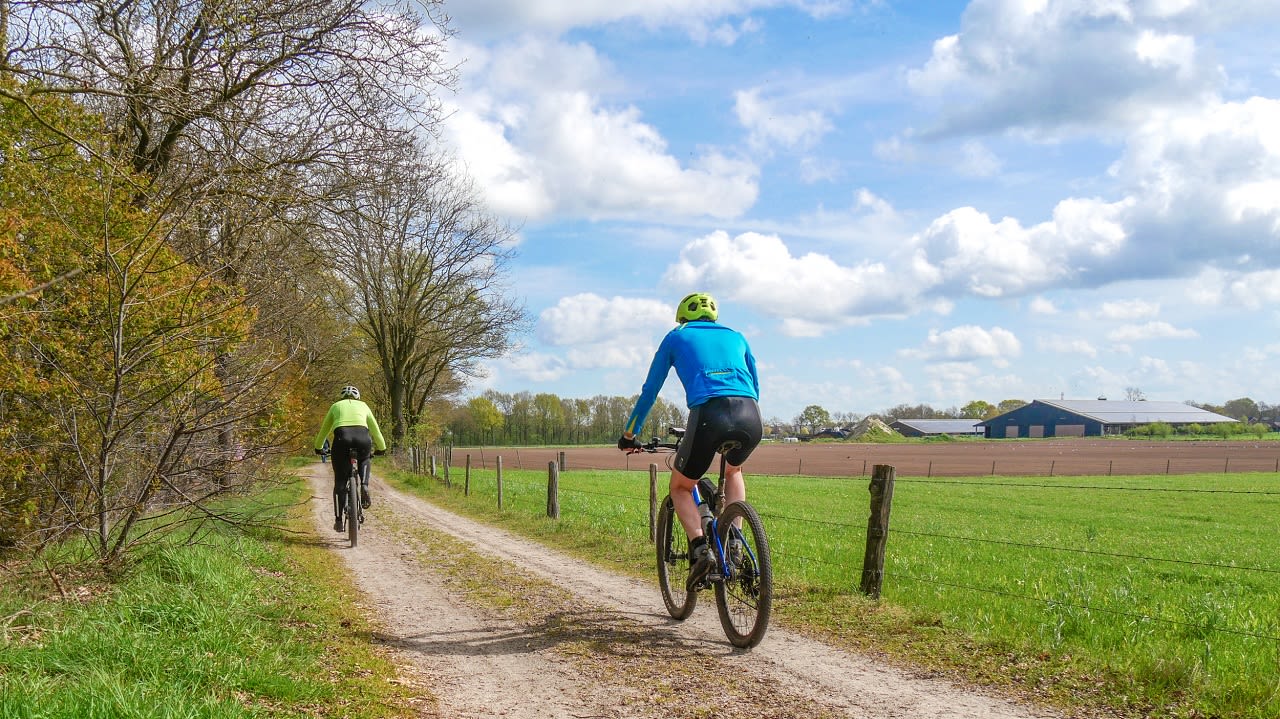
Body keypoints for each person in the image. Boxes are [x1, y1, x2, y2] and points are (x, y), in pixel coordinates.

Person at [618, 292, 762, 590]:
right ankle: (734, 541)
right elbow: (755, 384)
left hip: (710, 414)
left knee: (681, 486)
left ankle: (700, 549)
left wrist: (630, 435)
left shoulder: (676, 336)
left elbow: (649, 392)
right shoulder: (737, 336)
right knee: (734, 471)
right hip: (750, 414)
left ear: (682, 316)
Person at [314, 385, 387, 531]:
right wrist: (382, 448)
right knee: (365, 458)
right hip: (363, 439)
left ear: (342, 397)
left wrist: (318, 447)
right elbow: (375, 429)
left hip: (342, 440)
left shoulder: (335, 406)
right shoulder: (364, 406)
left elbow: (325, 429)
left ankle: (339, 520)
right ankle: (365, 484)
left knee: (340, 482)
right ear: (357, 397)